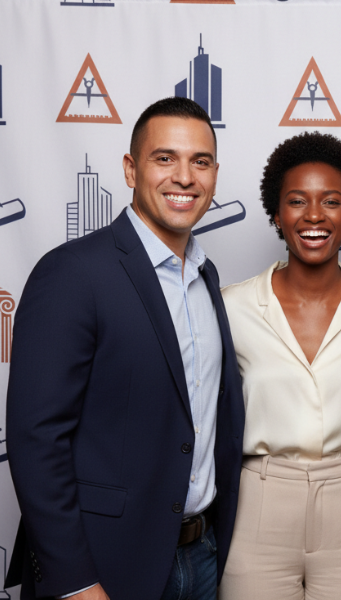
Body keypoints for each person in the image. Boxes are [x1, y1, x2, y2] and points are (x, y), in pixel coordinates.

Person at [4, 97, 245, 600]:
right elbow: (36, 439)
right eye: (165, 158)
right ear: (131, 169)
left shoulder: (206, 276)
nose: (184, 177)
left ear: (215, 175)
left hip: (202, 556)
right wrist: (75, 582)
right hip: (106, 565)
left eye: (200, 162)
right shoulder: (71, 273)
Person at [218, 132, 341, 600]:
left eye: (331, 201)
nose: (314, 215)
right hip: (257, 502)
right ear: (276, 214)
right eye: (297, 201)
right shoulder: (232, 306)